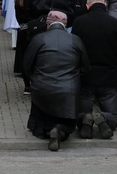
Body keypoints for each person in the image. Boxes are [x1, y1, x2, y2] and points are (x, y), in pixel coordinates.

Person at [23, 10, 89, 151]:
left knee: (42, 118)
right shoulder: (75, 40)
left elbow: (27, 66)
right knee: (68, 122)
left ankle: (48, 130)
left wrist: (34, 79)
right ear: (65, 26)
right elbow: (85, 67)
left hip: (42, 88)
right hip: (68, 90)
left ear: (48, 24)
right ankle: (59, 130)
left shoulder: (39, 39)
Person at [71, 0, 117, 139]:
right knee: (113, 117)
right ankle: (105, 118)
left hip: (86, 77)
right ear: (105, 5)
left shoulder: (79, 22)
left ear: (88, 6)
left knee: (81, 113)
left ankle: (85, 120)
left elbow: (74, 49)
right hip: (109, 76)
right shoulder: (115, 23)